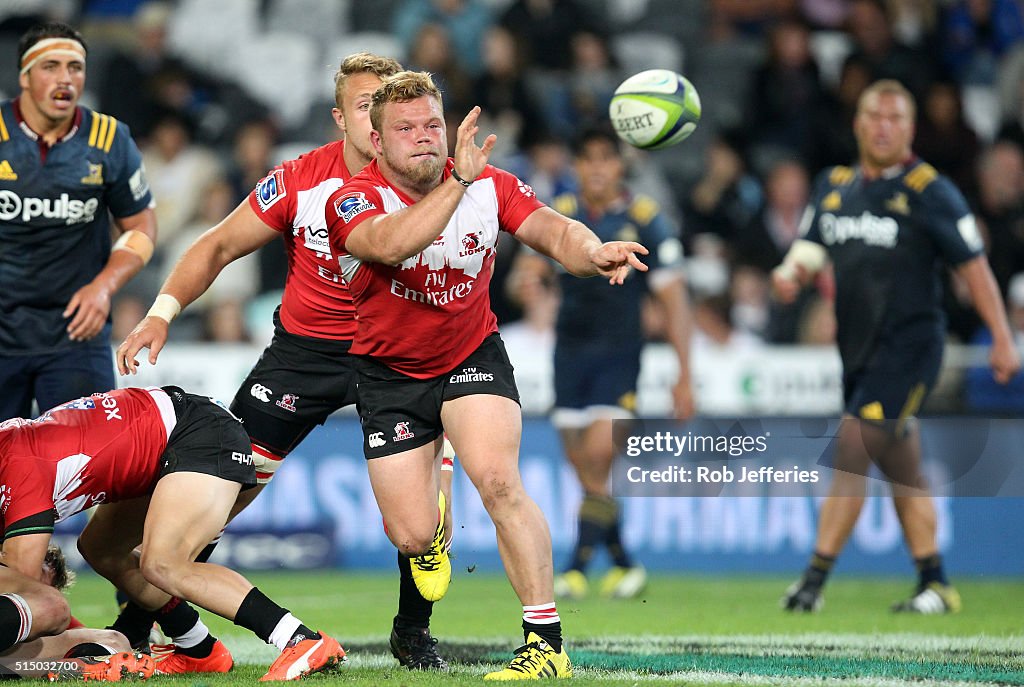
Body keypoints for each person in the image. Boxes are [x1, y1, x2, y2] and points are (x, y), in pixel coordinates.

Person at [115, 53, 453, 672]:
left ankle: (413, 629)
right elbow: (217, 243)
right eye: (364, 107)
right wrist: (162, 311)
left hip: (399, 351)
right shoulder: (300, 178)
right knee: (222, 484)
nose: (382, 120)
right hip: (305, 355)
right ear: (341, 119)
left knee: (420, 510)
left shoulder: (436, 178)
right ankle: (147, 617)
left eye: (392, 107)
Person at [325, 70, 651, 680]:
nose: (424, 138)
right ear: (377, 138)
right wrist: (459, 181)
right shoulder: (349, 198)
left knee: (500, 482)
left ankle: (545, 644)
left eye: (432, 125)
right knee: (413, 536)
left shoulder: (489, 184)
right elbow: (393, 244)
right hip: (390, 374)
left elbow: (553, 228)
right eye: (406, 129)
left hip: (471, 353)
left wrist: (592, 252)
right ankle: (435, 517)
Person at [773, 79, 1020, 614]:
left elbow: (973, 266)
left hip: (910, 348)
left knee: (852, 446)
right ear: (858, 123)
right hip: (858, 351)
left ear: (910, 129)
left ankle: (812, 583)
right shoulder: (833, 185)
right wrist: (790, 274)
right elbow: (811, 247)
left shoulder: (931, 190)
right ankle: (936, 582)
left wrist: (1002, 337)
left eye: (896, 118)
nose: (884, 126)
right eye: (875, 116)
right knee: (902, 467)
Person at [0, 387, 345, 681]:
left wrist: (71, 638)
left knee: (164, 563)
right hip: (166, 437)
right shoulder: (12, 451)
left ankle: (300, 639)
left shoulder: (18, 467)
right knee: (100, 548)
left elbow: (26, 584)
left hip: (195, 433)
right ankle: (199, 649)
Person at [532, 129, 693, 600]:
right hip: (568, 354)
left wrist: (685, 372)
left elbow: (674, 299)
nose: (598, 169)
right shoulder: (560, 212)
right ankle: (624, 562)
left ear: (620, 167)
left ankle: (576, 567)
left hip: (620, 356)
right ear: (577, 166)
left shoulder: (645, 219)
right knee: (584, 468)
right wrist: (531, 281)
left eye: (607, 159)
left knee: (599, 457)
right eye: (589, 159)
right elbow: (534, 267)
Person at [0, 21, 158, 423]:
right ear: (24, 76)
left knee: (88, 468)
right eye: (51, 66)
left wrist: (103, 288)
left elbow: (141, 226)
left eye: (75, 67)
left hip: (76, 335)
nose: (65, 78)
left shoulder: (109, 139)